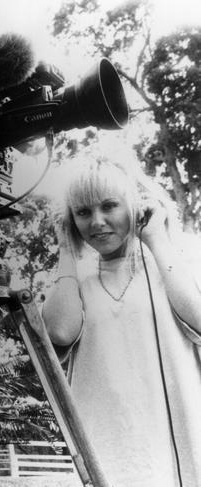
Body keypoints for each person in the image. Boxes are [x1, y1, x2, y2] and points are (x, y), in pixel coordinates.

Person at [42, 154, 201, 487]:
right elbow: (58, 331)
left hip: (179, 446)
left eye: (109, 205)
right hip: (110, 449)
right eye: (83, 212)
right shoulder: (73, 279)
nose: (96, 222)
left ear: (138, 205)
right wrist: (67, 250)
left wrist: (156, 238)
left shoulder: (176, 257)